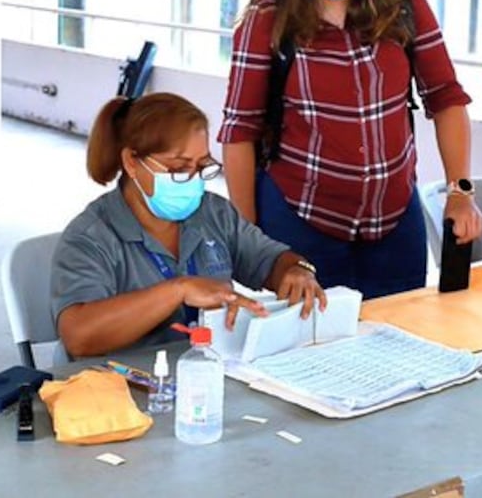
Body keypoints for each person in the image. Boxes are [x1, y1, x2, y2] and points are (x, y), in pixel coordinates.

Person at [219, 0, 482, 299]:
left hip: (394, 219)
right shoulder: (270, 15)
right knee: (309, 347)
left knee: (400, 337)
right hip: (301, 215)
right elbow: (239, 131)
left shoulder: (402, 1)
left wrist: (459, 191)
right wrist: (250, 239)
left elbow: (447, 98)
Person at [52, 93, 327, 358]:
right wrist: (178, 290)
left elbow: (272, 259)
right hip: (123, 391)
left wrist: (297, 270)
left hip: (208, 370)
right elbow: (78, 336)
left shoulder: (213, 213)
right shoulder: (92, 236)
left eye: (202, 167)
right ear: (132, 162)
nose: (195, 181)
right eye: (179, 169)